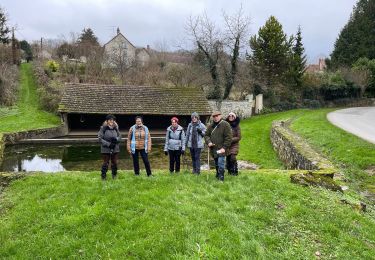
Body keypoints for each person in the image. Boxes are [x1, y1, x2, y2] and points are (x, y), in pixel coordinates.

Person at [205, 111, 232, 181]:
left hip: (222, 148)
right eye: (214, 116)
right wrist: (209, 142)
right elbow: (206, 135)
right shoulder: (211, 126)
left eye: (217, 116)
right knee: (216, 163)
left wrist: (224, 147)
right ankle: (217, 175)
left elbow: (228, 138)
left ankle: (221, 178)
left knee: (221, 163)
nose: (216, 117)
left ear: (220, 116)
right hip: (213, 149)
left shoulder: (226, 125)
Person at [98, 114, 121, 180]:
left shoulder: (116, 128)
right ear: (107, 121)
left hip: (115, 148)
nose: (111, 121)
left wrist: (116, 139)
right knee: (106, 163)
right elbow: (100, 138)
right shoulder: (103, 128)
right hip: (106, 149)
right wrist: (108, 144)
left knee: (114, 162)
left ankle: (114, 175)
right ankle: (103, 176)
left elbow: (120, 136)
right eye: (110, 120)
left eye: (112, 120)